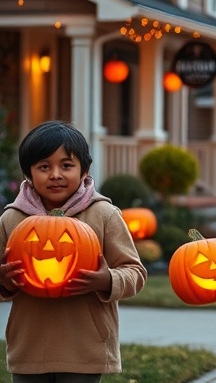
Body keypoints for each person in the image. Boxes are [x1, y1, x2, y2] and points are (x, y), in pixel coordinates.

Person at [0, 120, 147, 382]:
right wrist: (4, 281)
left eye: (66, 165)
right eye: (44, 167)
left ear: (84, 171)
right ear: (28, 174)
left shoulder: (104, 214)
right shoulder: (11, 219)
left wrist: (107, 280)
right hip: (28, 350)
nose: (55, 174)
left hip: (85, 350)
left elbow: (135, 272)